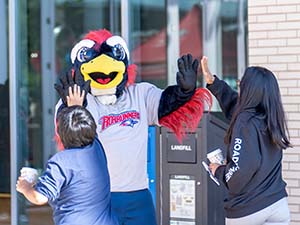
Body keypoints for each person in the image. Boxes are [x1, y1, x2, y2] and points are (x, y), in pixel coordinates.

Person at [54, 29, 212, 225]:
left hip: (137, 196)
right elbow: (70, 140)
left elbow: (168, 107)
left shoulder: (140, 94)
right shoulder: (75, 102)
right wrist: (75, 106)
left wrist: (184, 91)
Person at [201, 56, 291, 225]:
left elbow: (242, 168)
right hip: (278, 205)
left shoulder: (245, 122)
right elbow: (234, 104)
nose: (239, 85)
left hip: (249, 210)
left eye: (241, 83)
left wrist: (219, 170)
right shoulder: (270, 117)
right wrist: (213, 82)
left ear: (250, 90)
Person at [16, 85, 118, 225]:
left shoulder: (60, 162)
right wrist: (77, 108)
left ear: (61, 134)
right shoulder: (97, 148)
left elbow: (39, 198)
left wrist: (25, 187)